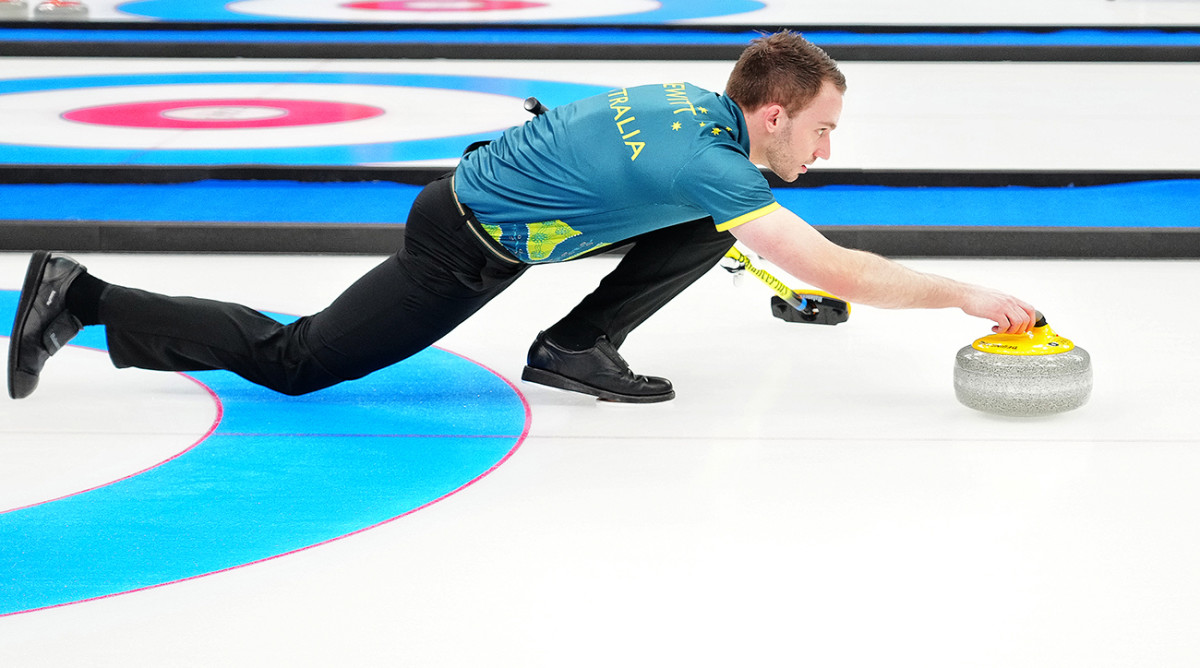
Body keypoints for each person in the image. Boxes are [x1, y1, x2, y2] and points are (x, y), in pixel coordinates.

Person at [7, 31, 1035, 404]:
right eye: (822, 127)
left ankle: (575, 345)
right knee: (298, 361)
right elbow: (832, 269)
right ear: (770, 113)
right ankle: (84, 294)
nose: (827, 148)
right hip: (458, 246)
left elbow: (672, 194)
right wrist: (965, 294)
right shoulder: (715, 163)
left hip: (482, 208)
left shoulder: (697, 111)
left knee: (715, 223)